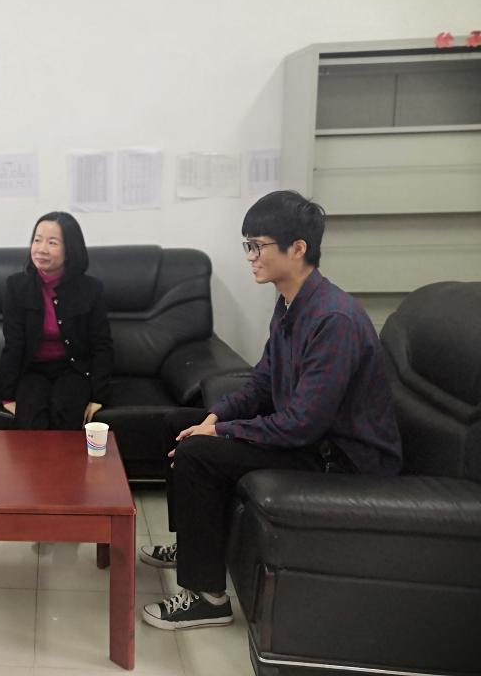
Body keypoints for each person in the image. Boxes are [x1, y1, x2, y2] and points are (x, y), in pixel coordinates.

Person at [140, 190, 402, 631]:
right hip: (312, 438)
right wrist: (215, 418)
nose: (250, 256)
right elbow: (263, 381)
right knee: (179, 424)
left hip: (341, 457)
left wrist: (222, 434)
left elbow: (302, 425)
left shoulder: (333, 319)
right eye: (248, 245)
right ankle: (193, 547)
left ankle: (207, 598)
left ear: (297, 248)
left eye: (257, 245)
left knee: (197, 452)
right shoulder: (289, 304)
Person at [0, 211, 113, 430]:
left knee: (66, 412)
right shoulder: (16, 287)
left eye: (52, 242)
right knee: (31, 418)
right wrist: (7, 395)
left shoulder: (91, 289)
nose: (41, 249)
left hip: (74, 370)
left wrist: (99, 396)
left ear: (70, 249)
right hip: (33, 370)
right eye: (37, 240)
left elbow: (102, 345)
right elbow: (13, 343)